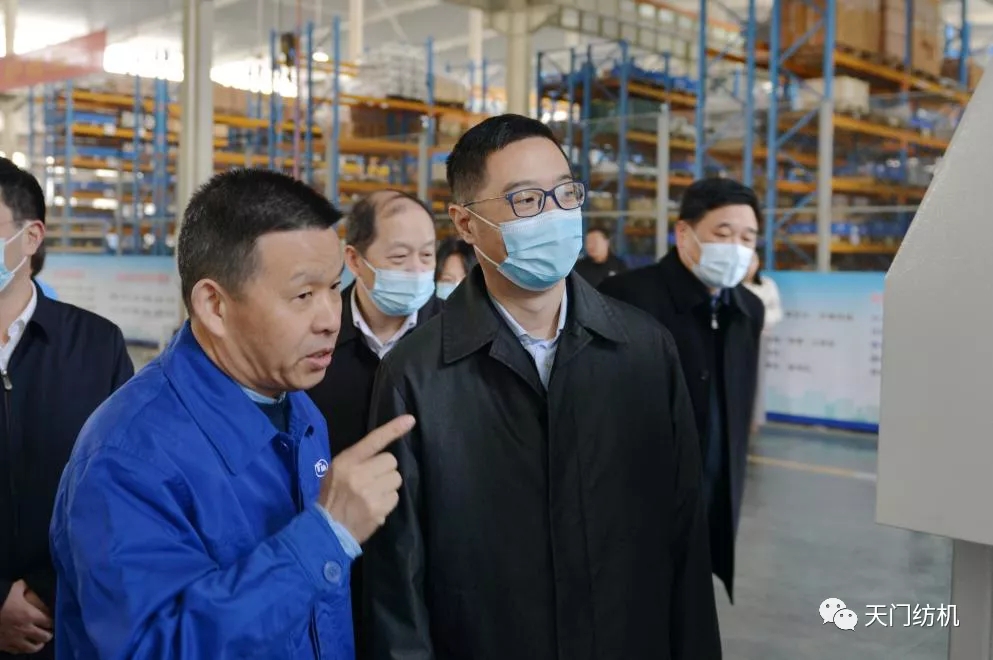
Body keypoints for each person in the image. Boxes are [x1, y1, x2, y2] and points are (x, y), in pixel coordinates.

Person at [362, 114, 721, 660]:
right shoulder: (416, 374)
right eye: (527, 200)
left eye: (565, 193)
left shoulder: (645, 351)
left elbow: (685, 536)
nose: (554, 215)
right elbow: (397, 579)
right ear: (465, 223)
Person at [49, 169, 414, 659]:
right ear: (214, 305)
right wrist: (327, 536)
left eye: (334, 287)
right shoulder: (127, 457)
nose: (332, 318)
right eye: (303, 295)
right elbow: (152, 649)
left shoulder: (298, 408)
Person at [598, 177, 765, 601]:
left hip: (711, 499)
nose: (736, 248)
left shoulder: (748, 310)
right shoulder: (626, 297)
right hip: (635, 504)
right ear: (684, 233)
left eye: (747, 238)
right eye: (722, 233)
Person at [0, 158, 133, 660]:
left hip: (69, 624)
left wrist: (50, 592)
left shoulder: (97, 346)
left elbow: (124, 490)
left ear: (31, 237)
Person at [306, 189, 440, 652]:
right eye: (399, 257)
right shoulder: (312, 340)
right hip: (331, 567)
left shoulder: (457, 343)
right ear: (354, 260)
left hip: (431, 577)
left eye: (427, 255)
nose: (417, 270)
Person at [744, 251, 782, 430]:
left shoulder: (767, 285)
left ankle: (754, 418)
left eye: (752, 261)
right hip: (735, 339)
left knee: (757, 379)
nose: (748, 266)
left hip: (760, 337)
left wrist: (758, 321)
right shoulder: (730, 287)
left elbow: (776, 312)